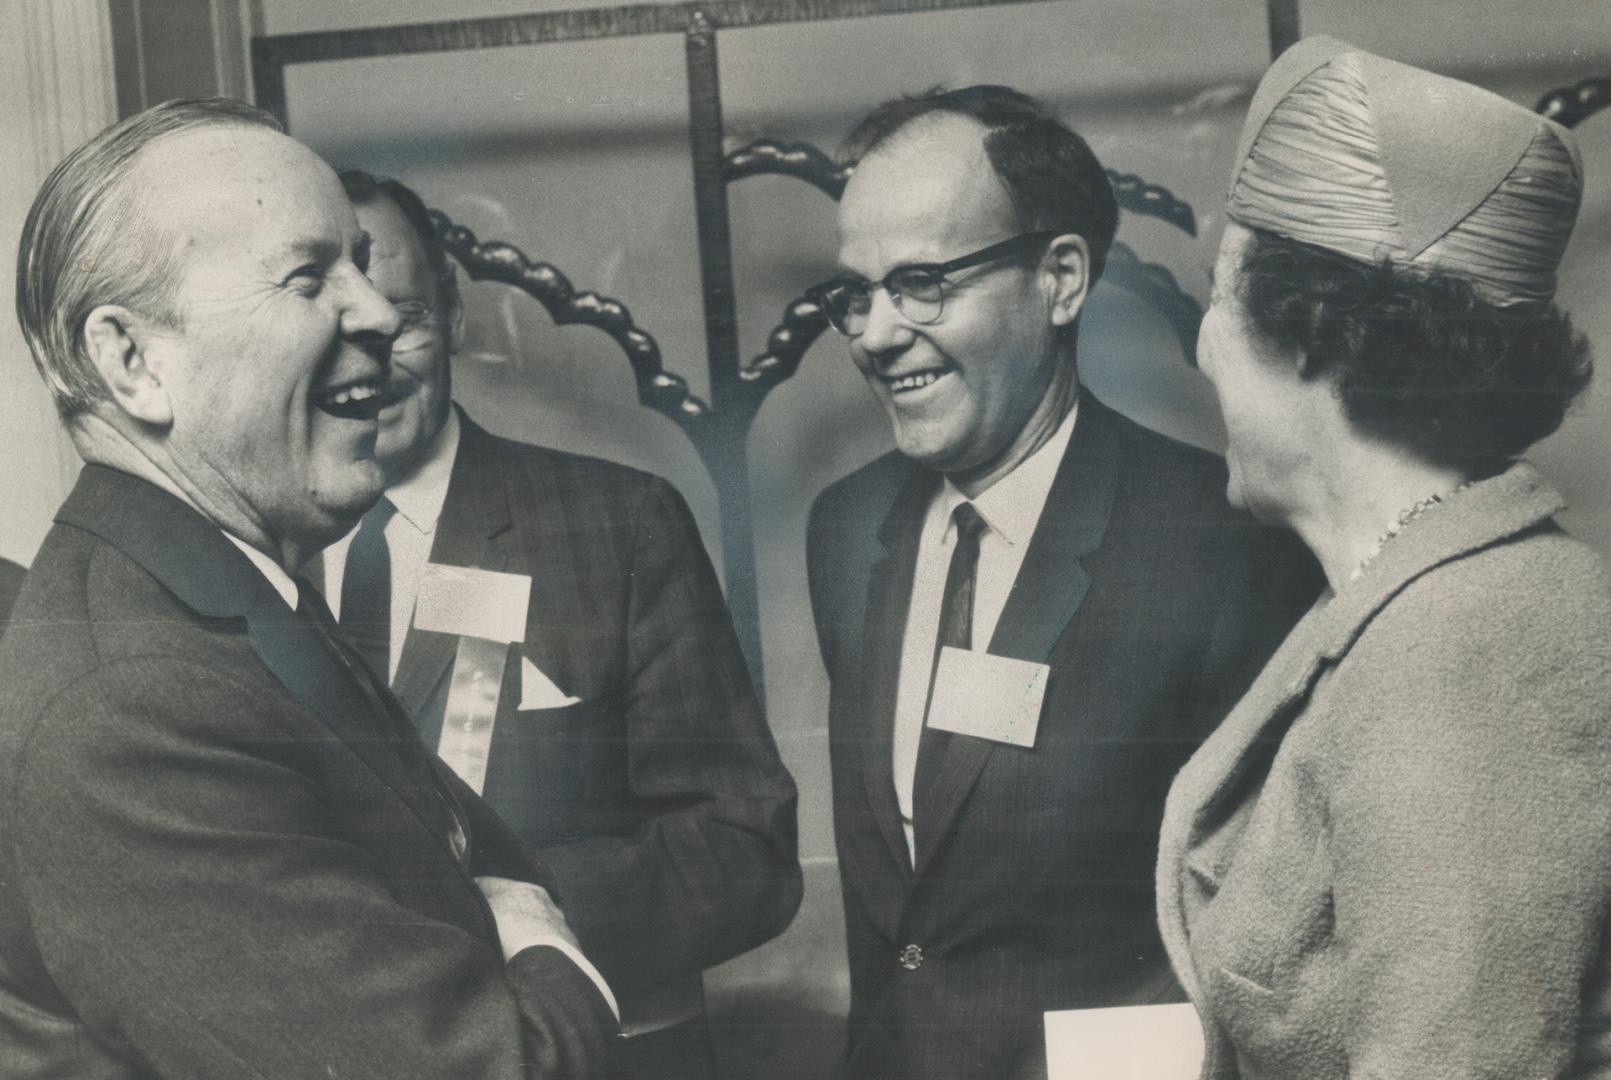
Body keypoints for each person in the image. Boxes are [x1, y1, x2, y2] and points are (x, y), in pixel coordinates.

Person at [0, 98, 619, 1079]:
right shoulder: (130, 704)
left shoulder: (221, 586)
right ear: (131, 361)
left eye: (362, 269)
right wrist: (544, 945)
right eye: (307, 278)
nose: (378, 314)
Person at [804, 85, 1320, 1080]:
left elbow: (1268, 936)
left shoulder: (1221, 547)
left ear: (1061, 280)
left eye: (921, 282)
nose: (873, 332)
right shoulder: (846, 528)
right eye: (856, 294)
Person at [1155, 36, 1611, 1079]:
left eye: (1217, 295)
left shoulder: (1473, 651)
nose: (1202, 345)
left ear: (1312, 332)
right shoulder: (1423, 600)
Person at [323, 169, 802, 1079]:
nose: (369, 358)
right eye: (337, 328)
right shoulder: (254, 557)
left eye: (403, 317)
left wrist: (501, 906)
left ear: (454, 318)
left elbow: (748, 852)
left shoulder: (615, 525)